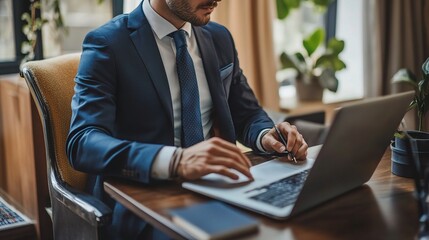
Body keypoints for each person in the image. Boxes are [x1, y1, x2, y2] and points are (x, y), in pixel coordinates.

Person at [66, 0, 308, 239]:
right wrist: (175, 161)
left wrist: (266, 136)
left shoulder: (219, 37)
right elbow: (83, 142)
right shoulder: (108, 43)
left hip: (218, 187)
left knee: (298, 218)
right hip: (144, 200)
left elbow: (246, 112)